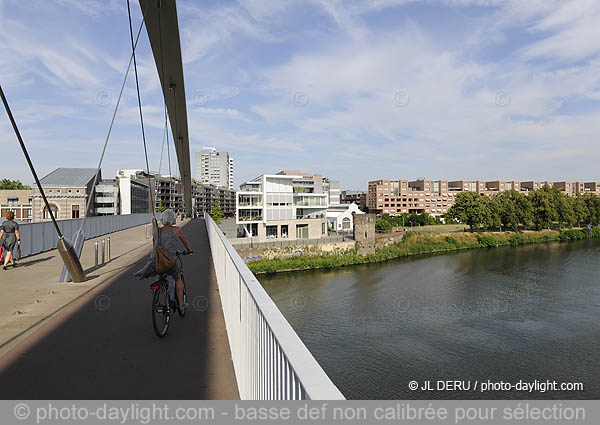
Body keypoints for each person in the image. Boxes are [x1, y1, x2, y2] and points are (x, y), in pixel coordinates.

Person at [151, 209, 192, 310]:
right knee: (177, 278)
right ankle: (181, 304)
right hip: (170, 262)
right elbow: (185, 241)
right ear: (172, 219)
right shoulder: (176, 230)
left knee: (160, 276)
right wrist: (188, 250)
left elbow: (155, 246)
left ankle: (156, 301)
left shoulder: (156, 231)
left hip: (159, 262)